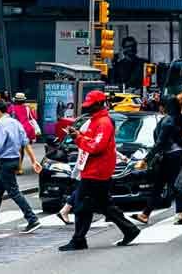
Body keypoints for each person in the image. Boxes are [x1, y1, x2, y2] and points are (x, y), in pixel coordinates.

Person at [58, 91, 140, 251]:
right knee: (102, 205)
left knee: (82, 205)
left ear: (98, 104)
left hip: (97, 170)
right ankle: (129, 229)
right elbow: (92, 142)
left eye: (90, 105)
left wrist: (78, 138)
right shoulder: (97, 121)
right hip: (95, 169)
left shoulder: (103, 122)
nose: (86, 108)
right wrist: (78, 135)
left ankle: (79, 239)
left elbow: (96, 147)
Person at [0, 99, 42, 234]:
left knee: (13, 191)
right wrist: (34, 161)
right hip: (15, 160)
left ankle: (32, 218)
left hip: (5, 161)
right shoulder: (15, 122)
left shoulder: (1, 124)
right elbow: (25, 142)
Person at [131, 96, 182, 225]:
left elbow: (160, 142)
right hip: (175, 155)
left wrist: (147, 159)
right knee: (162, 185)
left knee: (173, 185)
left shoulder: (168, 120)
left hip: (171, 156)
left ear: (164, 107)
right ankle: (146, 214)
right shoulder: (177, 118)